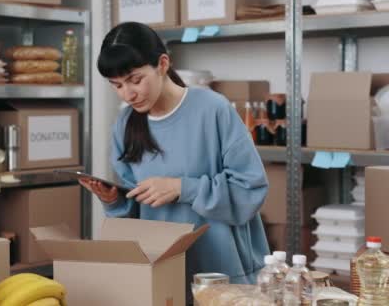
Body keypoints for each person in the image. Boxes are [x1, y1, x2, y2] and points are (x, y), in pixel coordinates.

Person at [80, 22, 270, 287]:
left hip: (223, 274)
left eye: (136, 80)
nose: (128, 93)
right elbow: (133, 213)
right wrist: (114, 201)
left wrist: (182, 188)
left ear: (163, 64)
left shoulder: (213, 109)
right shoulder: (125, 124)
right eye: (117, 85)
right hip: (162, 274)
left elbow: (250, 189)